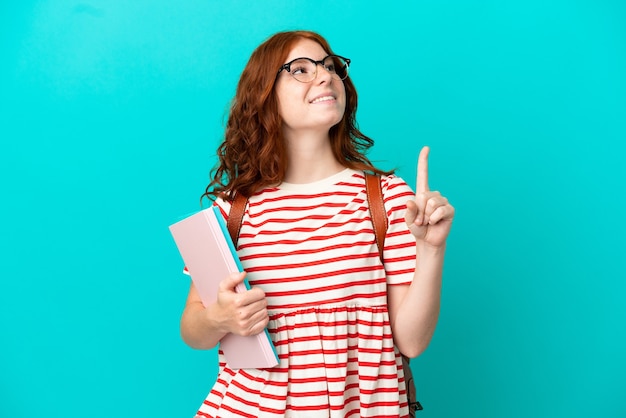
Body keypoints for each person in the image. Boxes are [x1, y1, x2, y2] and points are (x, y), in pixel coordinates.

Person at [179, 30, 455, 418]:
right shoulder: (233, 211)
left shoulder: (387, 199)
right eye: (301, 70)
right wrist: (218, 318)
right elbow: (192, 328)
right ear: (265, 95)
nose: (325, 76)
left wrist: (431, 249)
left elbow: (411, 341)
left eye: (330, 67)